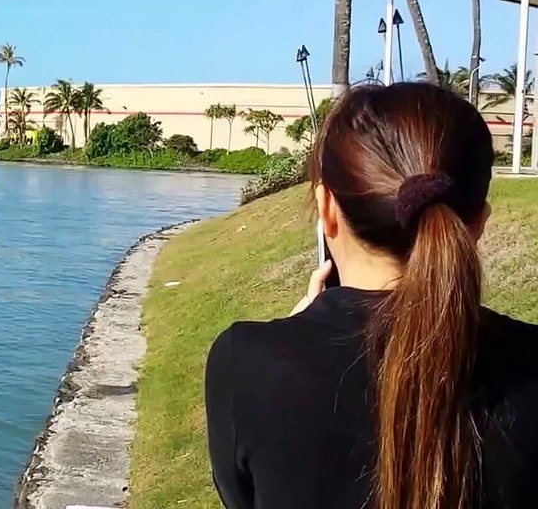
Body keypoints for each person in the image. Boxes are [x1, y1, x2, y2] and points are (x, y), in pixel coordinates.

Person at [204, 82, 538, 509]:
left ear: (326, 208)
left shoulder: (246, 361)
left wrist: (287, 341)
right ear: (478, 224)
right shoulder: (528, 364)